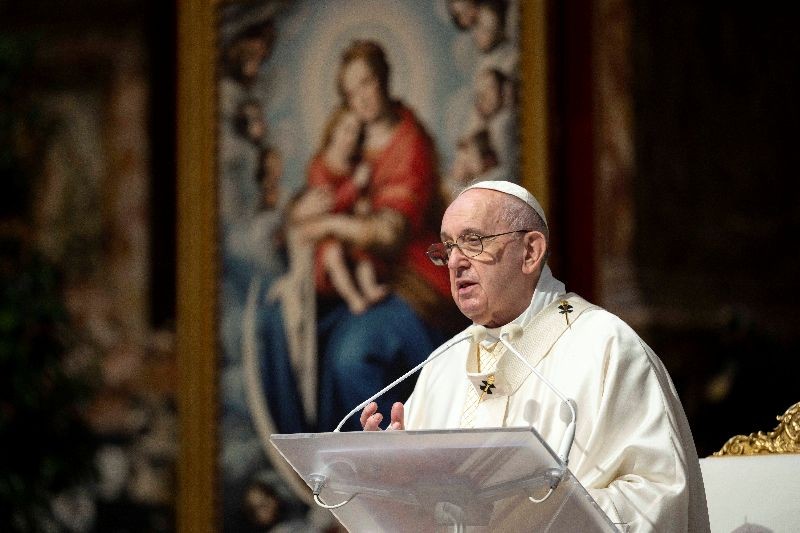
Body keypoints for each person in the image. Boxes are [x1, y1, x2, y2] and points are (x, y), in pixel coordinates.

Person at [360, 180, 710, 531]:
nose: (454, 262)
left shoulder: (606, 346)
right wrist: (397, 482)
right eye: (448, 247)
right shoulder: (443, 365)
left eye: (472, 241)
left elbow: (660, 498)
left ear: (530, 252)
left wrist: (537, 512)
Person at [305, 107, 388, 315]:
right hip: (325, 233)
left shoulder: (354, 165)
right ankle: (353, 298)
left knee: (362, 245)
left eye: (356, 133)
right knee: (333, 254)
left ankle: (369, 288)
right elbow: (327, 206)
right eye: (347, 130)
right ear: (334, 130)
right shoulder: (319, 165)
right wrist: (354, 185)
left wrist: (363, 203)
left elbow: (359, 200)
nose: (351, 138)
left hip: (347, 227)